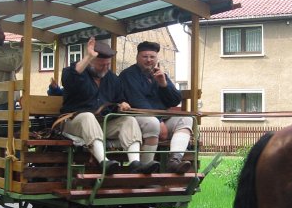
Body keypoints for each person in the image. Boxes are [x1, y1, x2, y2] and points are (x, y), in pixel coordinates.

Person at [60, 37, 159, 175]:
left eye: (107, 64)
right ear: (90, 63)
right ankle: (103, 162)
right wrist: (88, 56)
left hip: (102, 124)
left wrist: (122, 104)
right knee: (87, 117)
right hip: (74, 124)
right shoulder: (75, 72)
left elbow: (118, 100)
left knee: (129, 121)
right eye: (101, 65)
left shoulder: (112, 79)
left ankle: (135, 163)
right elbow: (69, 79)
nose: (105, 68)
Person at [119, 41, 193, 174]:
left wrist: (164, 84)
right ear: (137, 57)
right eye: (145, 56)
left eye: (152, 57)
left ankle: (174, 161)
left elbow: (175, 100)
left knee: (186, 119)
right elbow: (138, 101)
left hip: (161, 120)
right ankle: (145, 169)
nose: (149, 60)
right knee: (152, 123)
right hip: (139, 119)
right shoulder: (128, 75)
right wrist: (159, 121)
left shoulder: (160, 74)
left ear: (156, 59)